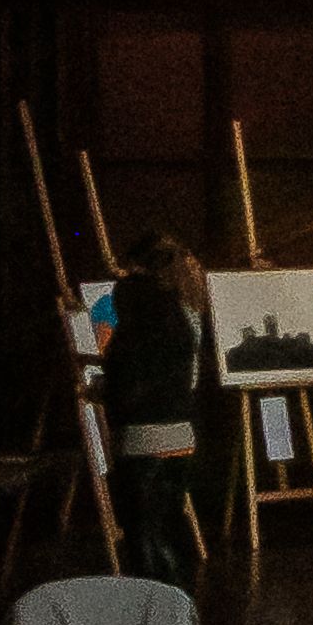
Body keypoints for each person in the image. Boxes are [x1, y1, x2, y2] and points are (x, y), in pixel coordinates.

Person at [106, 234, 213, 593]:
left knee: (143, 533)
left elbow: (125, 382)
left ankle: (152, 603)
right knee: (170, 525)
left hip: (143, 438)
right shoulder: (183, 314)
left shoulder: (135, 315)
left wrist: (100, 390)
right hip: (182, 432)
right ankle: (180, 601)